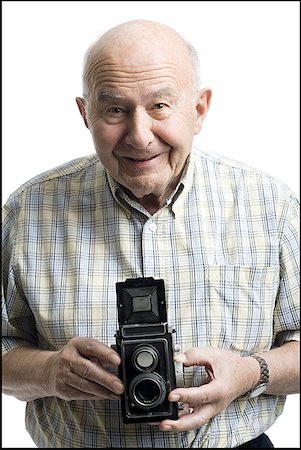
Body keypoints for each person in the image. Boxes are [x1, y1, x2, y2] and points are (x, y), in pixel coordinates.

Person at [2, 19, 299, 449]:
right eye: (115, 110)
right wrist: (48, 371)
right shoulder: (26, 213)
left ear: (198, 110)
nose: (140, 137)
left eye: (160, 106)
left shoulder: (270, 206)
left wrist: (252, 373)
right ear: (86, 114)